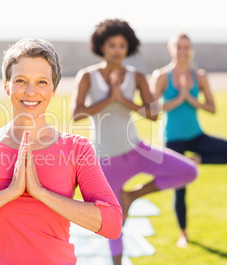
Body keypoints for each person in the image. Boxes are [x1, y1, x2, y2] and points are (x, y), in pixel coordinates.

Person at [0, 38, 123, 264]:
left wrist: (40, 192)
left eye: (42, 82)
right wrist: (10, 192)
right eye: (21, 80)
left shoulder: (76, 149)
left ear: (53, 88)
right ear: (6, 84)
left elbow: (112, 223)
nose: (31, 91)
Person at [70, 19, 198, 265]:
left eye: (122, 45)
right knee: (114, 222)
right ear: (101, 47)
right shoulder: (88, 76)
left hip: (137, 150)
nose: (117, 50)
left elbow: (154, 115)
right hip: (106, 158)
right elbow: (77, 114)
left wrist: (123, 99)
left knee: (188, 171)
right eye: (112, 45)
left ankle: (133, 196)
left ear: (128, 48)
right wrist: (110, 98)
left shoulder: (136, 76)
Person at [151, 32, 227, 248]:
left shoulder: (200, 75)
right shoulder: (162, 76)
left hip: (196, 135)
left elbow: (212, 108)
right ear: (171, 49)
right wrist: (180, 97)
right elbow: (152, 110)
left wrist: (191, 98)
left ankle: (199, 160)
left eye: (186, 47)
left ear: (191, 49)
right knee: (180, 186)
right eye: (179, 47)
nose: (183, 51)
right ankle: (183, 233)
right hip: (172, 139)